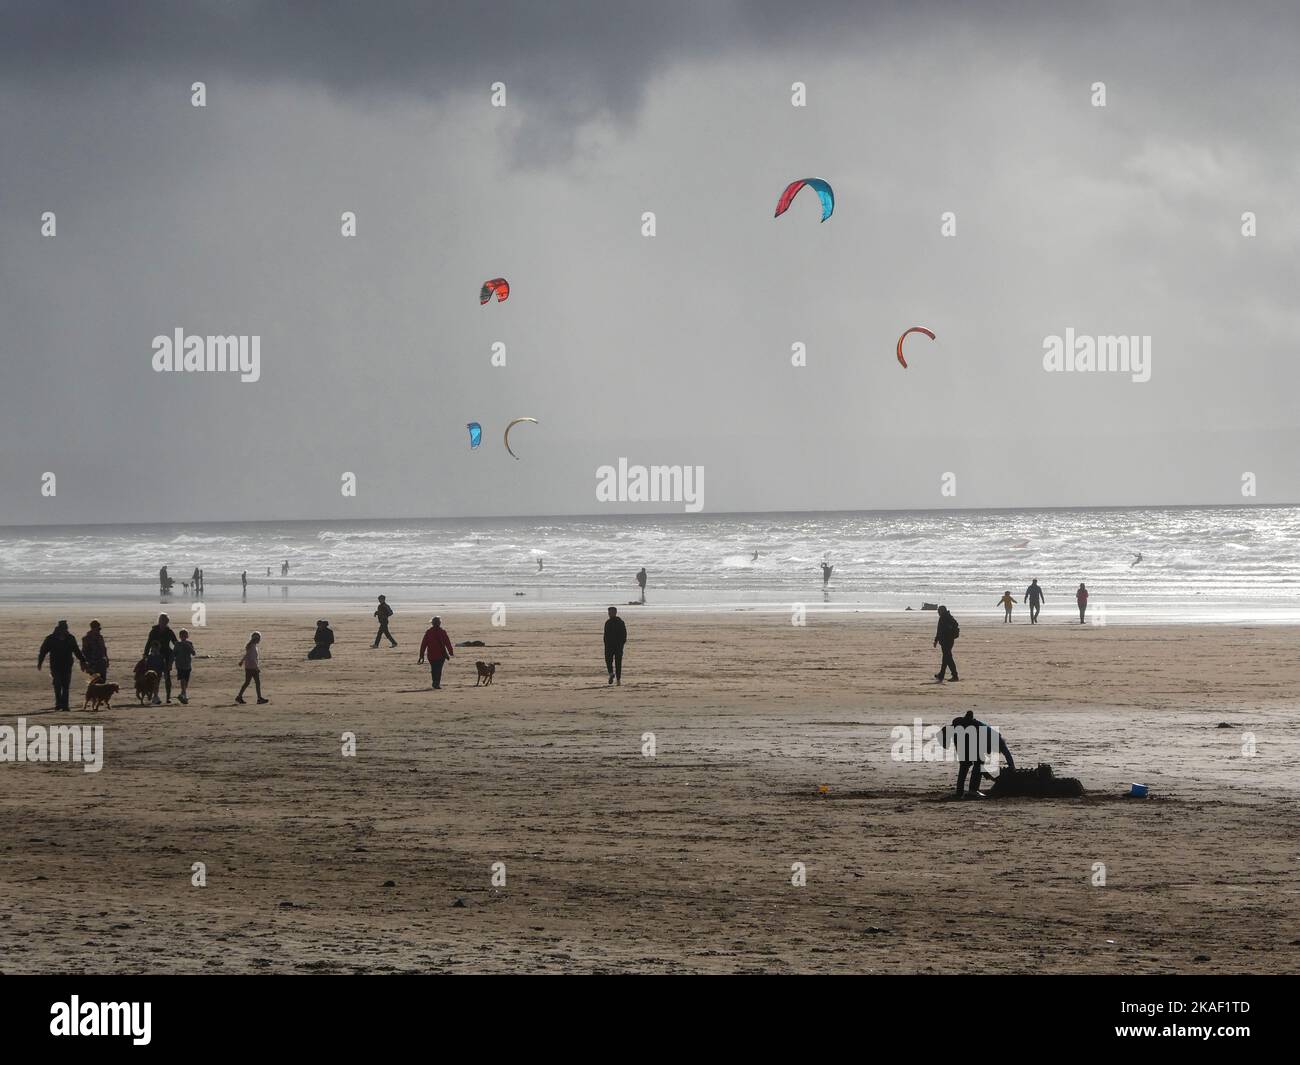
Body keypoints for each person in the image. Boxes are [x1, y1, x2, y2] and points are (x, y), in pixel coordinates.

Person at [942, 710, 1014, 798]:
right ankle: (973, 790)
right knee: (975, 763)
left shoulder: (989, 737)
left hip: (963, 733)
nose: (990, 752)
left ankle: (959, 792)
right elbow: (1007, 754)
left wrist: (990, 776)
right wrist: (1012, 767)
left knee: (965, 765)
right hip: (969, 734)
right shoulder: (996, 739)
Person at [38, 620, 86, 711]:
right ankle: (58, 703)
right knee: (57, 684)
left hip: (67, 665)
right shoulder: (51, 638)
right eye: (63, 628)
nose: (65, 630)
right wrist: (40, 662)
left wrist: (83, 660)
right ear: (59, 629)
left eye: (66, 628)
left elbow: (76, 650)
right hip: (55, 665)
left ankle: (65, 705)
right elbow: (43, 651)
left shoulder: (70, 638)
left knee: (65, 686)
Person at [144, 613, 179, 703]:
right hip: (156, 655)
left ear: (167, 622)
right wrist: (145, 654)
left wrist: (178, 652)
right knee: (156, 677)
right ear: (159, 621)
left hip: (167, 655)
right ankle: (155, 696)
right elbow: (148, 643)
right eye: (161, 620)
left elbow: (175, 643)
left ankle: (168, 697)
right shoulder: (154, 631)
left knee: (167, 676)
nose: (162, 622)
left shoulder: (169, 631)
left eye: (164, 621)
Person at [417, 617, 454, 689]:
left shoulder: (428, 632)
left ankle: (435, 682)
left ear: (432, 623)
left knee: (434, 669)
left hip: (431, 655)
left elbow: (423, 644)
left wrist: (421, 655)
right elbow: (447, 643)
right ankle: (437, 683)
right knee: (439, 669)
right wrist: (450, 651)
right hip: (441, 655)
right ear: (439, 623)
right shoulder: (442, 632)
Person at [236, 632, 268, 704]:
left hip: (248, 667)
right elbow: (252, 658)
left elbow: (246, 655)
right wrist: (257, 668)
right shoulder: (253, 647)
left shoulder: (250, 646)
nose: (260, 640)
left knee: (247, 683)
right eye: (259, 639)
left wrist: (242, 661)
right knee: (257, 683)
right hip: (252, 667)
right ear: (257, 639)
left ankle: (239, 696)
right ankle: (259, 698)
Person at [932, 604, 960, 682]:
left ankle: (955, 676)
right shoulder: (949, 617)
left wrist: (936, 640)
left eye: (939, 611)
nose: (938, 612)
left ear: (942, 611)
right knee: (946, 658)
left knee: (948, 658)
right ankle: (941, 675)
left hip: (946, 641)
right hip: (949, 640)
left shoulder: (943, 618)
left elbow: (939, 630)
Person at [603, 606, 628, 685]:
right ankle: (615, 677)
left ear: (615, 613)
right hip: (614, 646)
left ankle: (615, 677)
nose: (609, 614)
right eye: (609, 613)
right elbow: (605, 635)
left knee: (613, 662)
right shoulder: (612, 622)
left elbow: (624, 634)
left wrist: (621, 643)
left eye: (610, 613)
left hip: (614, 646)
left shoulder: (616, 622)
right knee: (614, 662)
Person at [174, 629, 197, 703]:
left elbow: (193, 653)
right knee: (182, 679)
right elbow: (174, 653)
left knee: (186, 680)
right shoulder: (177, 644)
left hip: (187, 665)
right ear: (180, 636)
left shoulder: (189, 643)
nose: (183, 637)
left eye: (185, 635)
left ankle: (183, 693)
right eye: (182, 635)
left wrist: (188, 646)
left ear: (187, 636)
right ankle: (184, 694)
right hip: (180, 665)